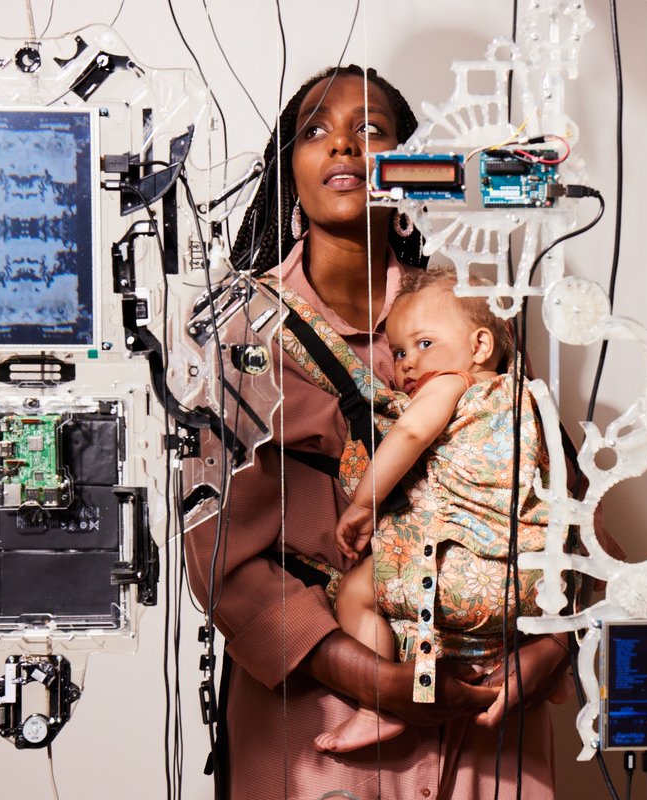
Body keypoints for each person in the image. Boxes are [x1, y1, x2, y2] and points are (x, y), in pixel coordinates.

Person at [184, 65, 571, 799]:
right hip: (318, 719)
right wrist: (382, 685)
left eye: (372, 131)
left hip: (488, 704)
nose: (344, 148)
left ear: (409, 172)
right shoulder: (232, 332)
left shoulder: (469, 313)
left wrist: (549, 650)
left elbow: (569, 508)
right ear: (287, 170)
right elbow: (220, 561)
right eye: (316, 131)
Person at [315, 267, 553, 755]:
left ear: (480, 346)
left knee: (356, 591)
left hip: (458, 577)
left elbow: (409, 434)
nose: (406, 365)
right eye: (399, 352)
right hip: (529, 586)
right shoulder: (529, 400)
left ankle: (377, 709)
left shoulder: (450, 383)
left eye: (423, 344)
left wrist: (364, 503)